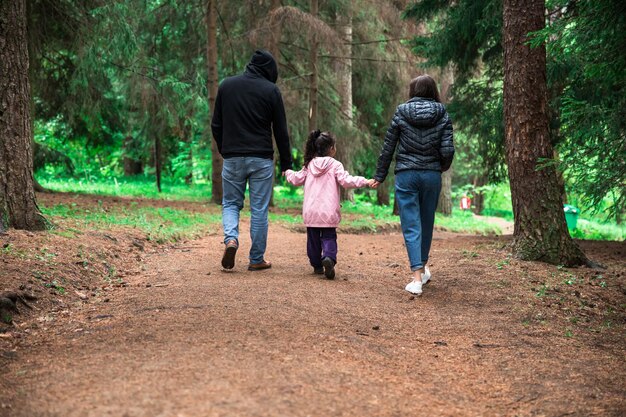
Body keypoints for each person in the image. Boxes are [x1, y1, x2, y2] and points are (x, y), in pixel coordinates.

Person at [371, 75, 454, 295]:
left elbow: (388, 147)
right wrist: (440, 167)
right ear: (433, 91)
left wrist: (379, 175)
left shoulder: (401, 112)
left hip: (406, 174)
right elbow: (447, 150)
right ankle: (423, 269)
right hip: (431, 175)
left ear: (413, 91)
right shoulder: (442, 112)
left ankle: (417, 278)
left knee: (411, 224)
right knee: (426, 222)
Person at [211, 50, 293, 271]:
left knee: (230, 203)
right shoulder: (271, 90)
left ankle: (231, 240)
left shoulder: (227, 86)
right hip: (261, 159)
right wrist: (287, 163)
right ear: (269, 70)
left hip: (233, 158)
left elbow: (216, 125)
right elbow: (281, 130)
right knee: (259, 209)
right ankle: (256, 259)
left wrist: (225, 149)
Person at [284, 130, 375, 279]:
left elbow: (296, 179)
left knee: (313, 241)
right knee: (328, 237)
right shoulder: (335, 165)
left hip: (311, 211)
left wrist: (287, 172)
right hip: (328, 212)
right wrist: (365, 181)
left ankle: (317, 265)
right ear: (331, 148)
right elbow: (347, 181)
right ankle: (328, 258)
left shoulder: (309, 165)